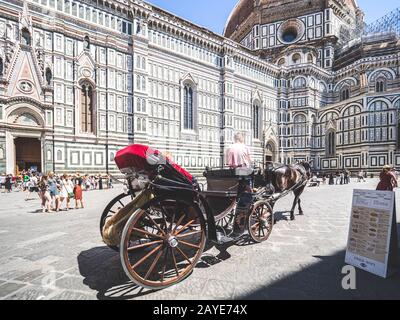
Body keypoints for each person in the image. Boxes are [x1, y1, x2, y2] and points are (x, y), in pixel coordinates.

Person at [219, 133, 253, 243]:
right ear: (241, 139)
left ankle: (236, 198)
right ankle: (251, 198)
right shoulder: (245, 147)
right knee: (250, 182)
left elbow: (228, 162)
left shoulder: (229, 148)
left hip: (232, 175)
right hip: (242, 172)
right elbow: (250, 161)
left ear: (235, 139)